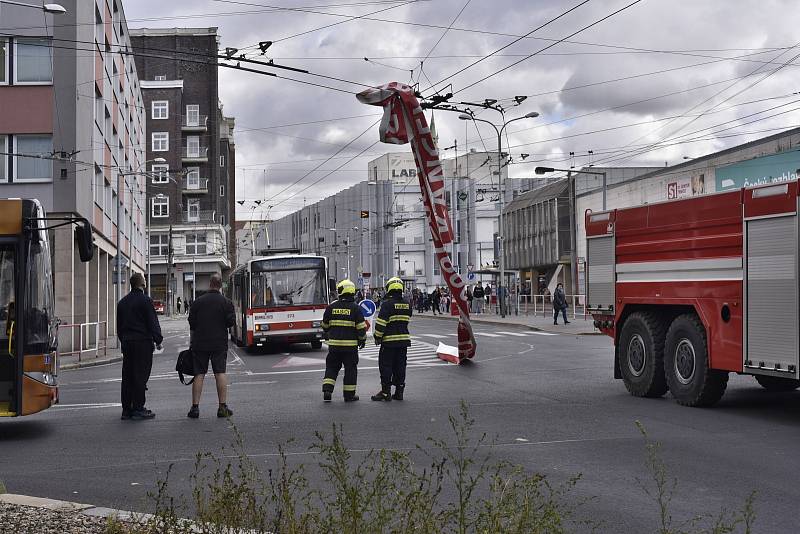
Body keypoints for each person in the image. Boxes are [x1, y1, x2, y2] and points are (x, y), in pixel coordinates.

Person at [187, 274, 235, 419]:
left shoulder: (198, 302)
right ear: (220, 285)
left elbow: (192, 323)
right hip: (219, 343)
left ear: (210, 284)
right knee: (220, 373)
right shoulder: (226, 302)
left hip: (200, 343)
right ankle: (222, 407)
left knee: (199, 374)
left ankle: (195, 408)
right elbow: (230, 322)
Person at [117, 273, 162, 421]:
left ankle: (126, 409)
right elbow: (152, 322)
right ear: (143, 284)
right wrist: (158, 339)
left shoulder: (122, 302)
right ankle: (138, 408)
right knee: (140, 376)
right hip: (142, 342)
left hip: (127, 343)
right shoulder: (146, 301)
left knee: (128, 375)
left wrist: (123, 340)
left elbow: (119, 327)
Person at [321, 279, 367, 402]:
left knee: (331, 368)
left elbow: (324, 326)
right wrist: (362, 340)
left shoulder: (331, 307)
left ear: (340, 291)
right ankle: (349, 395)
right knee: (350, 370)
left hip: (334, 347)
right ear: (352, 292)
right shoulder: (356, 309)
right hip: (350, 348)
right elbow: (361, 328)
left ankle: (327, 390)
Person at [371, 277, 412, 402]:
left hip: (389, 342)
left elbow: (381, 324)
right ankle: (399, 392)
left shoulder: (387, 305)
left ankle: (385, 392)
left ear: (388, 288)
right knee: (400, 366)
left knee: (386, 366)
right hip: (403, 341)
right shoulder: (407, 303)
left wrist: (377, 337)